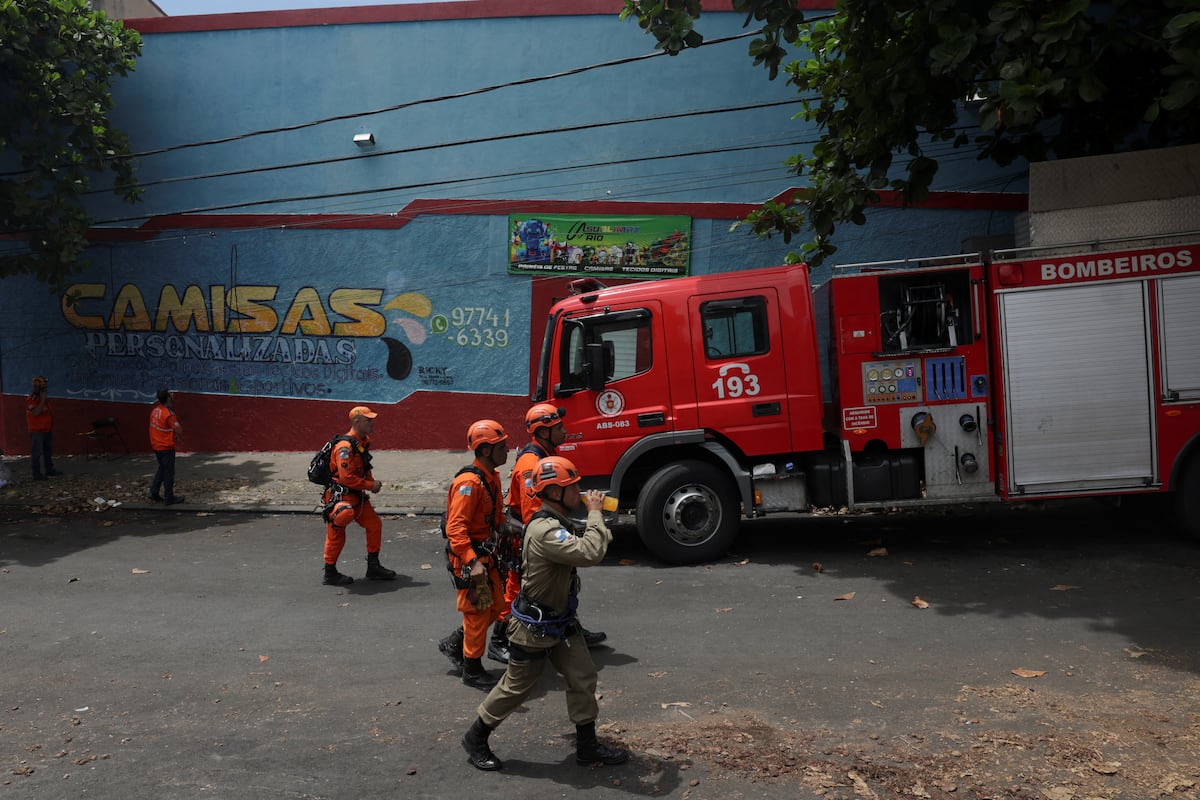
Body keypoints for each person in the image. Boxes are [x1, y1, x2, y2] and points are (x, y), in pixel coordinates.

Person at [461, 455, 628, 771]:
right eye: (572, 486)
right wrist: (595, 513)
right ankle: (475, 737)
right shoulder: (545, 530)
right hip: (535, 627)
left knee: (582, 676)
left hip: (560, 621)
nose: (579, 490)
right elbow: (590, 552)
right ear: (554, 492)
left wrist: (595, 518)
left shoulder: (557, 522)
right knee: (517, 687)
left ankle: (587, 747)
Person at [489, 403, 606, 664]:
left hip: (536, 532)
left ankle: (569, 629)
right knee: (517, 591)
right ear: (543, 432)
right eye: (558, 428)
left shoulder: (545, 456)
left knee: (563, 584)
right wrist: (560, 536)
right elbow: (535, 514)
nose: (565, 432)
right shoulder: (531, 464)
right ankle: (498, 641)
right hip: (528, 539)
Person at [438, 419, 509, 690]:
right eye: (502, 446)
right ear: (486, 450)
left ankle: (455, 643)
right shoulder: (469, 483)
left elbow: (497, 518)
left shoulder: (490, 478)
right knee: (478, 613)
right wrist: (471, 560)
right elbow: (456, 528)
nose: (507, 450)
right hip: (470, 559)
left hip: (485, 556)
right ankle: (473, 671)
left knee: (497, 605)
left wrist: (522, 530)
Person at [321, 406, 397, 586]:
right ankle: (330, 572)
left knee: (374, 525)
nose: (372, 423)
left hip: (357, 496)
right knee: (338, 528)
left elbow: (364, 466)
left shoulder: (362, 442)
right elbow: (347, 478)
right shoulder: (344, 448)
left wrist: (371, 483)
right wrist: (370, 485)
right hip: (340, 497)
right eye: (368, 420)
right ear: (356, 422)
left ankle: (373, 566)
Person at [148, 388, 184, 505]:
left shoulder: (155, 411)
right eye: (170, 394)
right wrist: (177, 435)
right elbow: (178, 429)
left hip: (156, 445)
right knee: (168, 472)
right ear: (168, 398)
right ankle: (169, 497)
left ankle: (154, 492)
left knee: (162, 469)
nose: (173, 394)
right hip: (166, 446)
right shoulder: (169, 414)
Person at [26, 376, 60, 481]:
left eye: (46, 387)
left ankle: (49, 469)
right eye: (43, 387)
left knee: (48, 451)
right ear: (37, 388)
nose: (46, 389)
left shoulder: (44, 399)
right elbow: (36, 413)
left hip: (47, 429)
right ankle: (37, 474)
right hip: (37, 431)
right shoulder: (31, 399)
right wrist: (42, 400)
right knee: (37, 453)